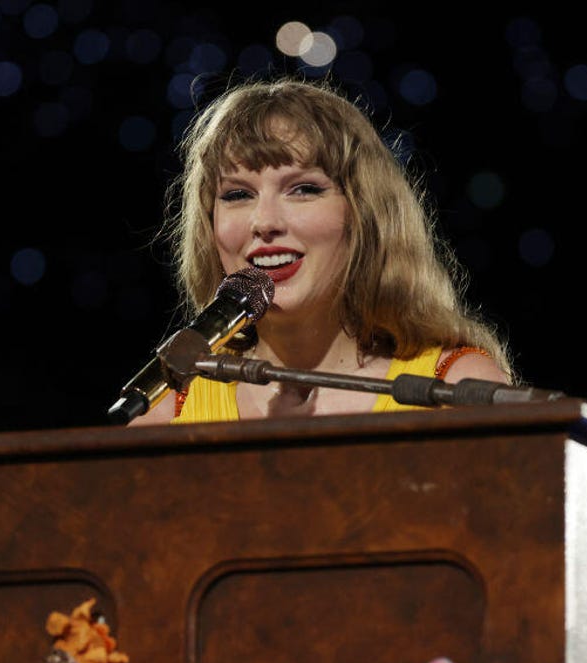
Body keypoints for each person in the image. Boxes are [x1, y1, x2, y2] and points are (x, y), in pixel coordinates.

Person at [129, 77, 513, 426]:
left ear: (364, 213)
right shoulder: (166, 410)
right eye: (237, 195)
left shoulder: (456, 391)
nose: (264, 221)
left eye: (303, 189)